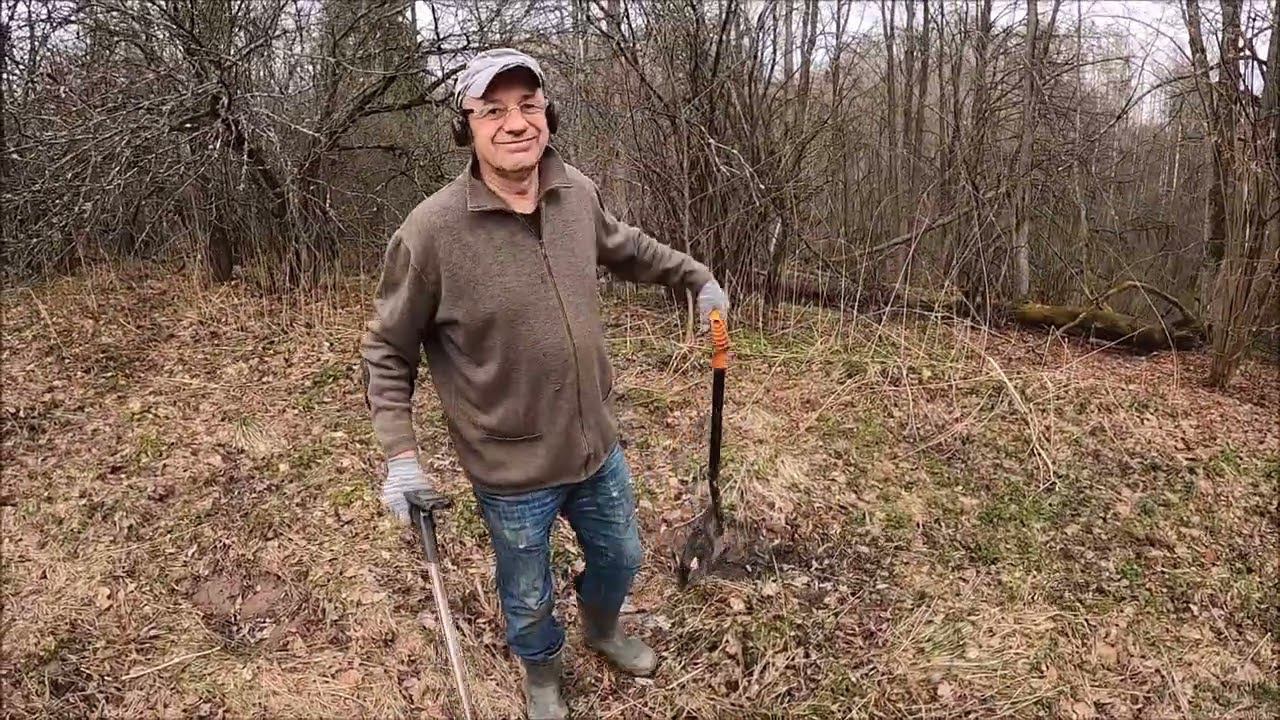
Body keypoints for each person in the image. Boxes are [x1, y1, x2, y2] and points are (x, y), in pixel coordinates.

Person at [359, 48, 729, 719]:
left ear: (548, 116)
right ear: (466, 127)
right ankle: (543, 674)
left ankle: (603, 628)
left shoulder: (573, 193)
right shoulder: (431, 232)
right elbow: (388, 348)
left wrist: (695, 277)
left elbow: (627, 247)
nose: (515, 123)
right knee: (528, 595)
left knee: (621, 557)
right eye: (493, 111)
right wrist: (402, 458)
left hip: (594, 445)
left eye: (528, 106)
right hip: (511, 466)